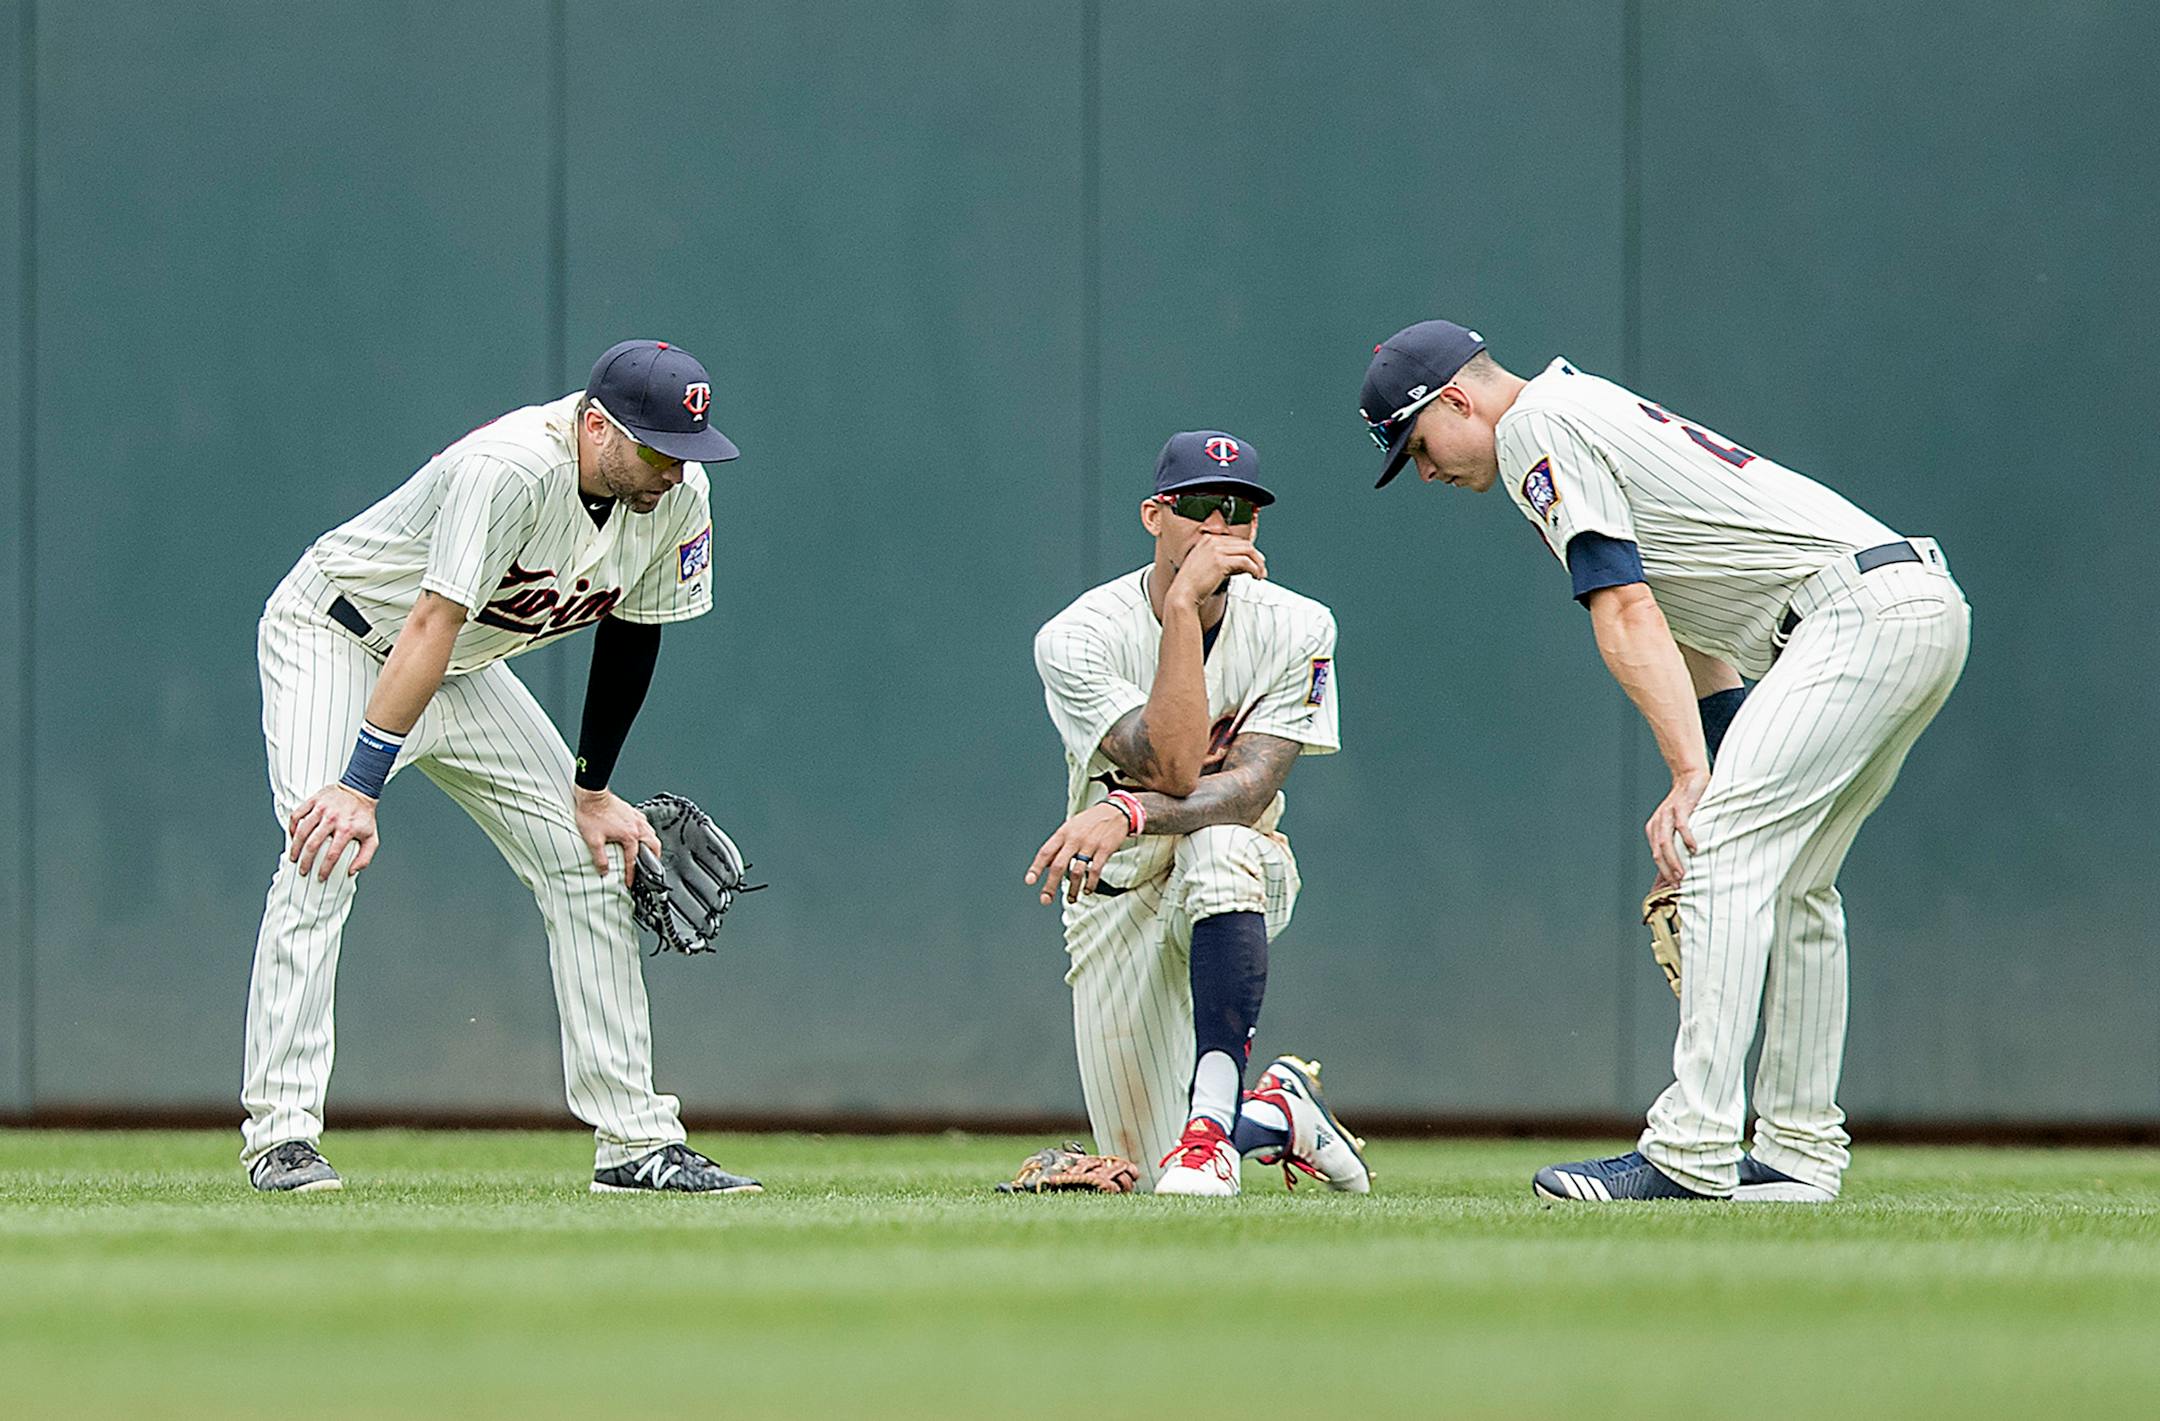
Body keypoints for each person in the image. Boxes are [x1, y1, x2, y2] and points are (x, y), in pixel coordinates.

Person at [1359, 320, 1969, 1202]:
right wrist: (1711, 762)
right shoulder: (1576, 405)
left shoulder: (1537, 426)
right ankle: (1798, 1152)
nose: (1422, 469)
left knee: (1717, 852)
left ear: (1456, 398)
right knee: (1796, 881)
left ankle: (1691, 1149)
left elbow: (1628, 609)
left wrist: (1692, 781)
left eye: (1416, 444)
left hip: (1853, 617)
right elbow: (1688, 619)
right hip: (1904, 604)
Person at [241, 339, 760, 1196]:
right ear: (597, 427)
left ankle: (636, 1142)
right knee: (322, 848)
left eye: (690, 448)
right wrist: (358, 784)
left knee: (593, 859)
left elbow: (636, 630)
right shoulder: (510, 468)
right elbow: (430, 621)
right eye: (658, 447)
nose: (677, 467)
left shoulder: (678, 492)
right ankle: (282, 1135)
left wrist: (591, 792)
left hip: (462, 664)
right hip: (340, 633)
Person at [1027, 431, 1369, 1197]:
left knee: (1219, 842)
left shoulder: (1299, 625)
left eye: (1239, 512)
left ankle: (1214, 1126)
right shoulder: (1078, 636)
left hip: (1243, 869)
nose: (1220, 528)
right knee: (1149, 1174)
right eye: (1199, 509)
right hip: (1114, 898)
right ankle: (1280, 1115)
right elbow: (1175, 765)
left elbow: (1246, 791)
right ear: (1155, 515)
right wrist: (1182, 607)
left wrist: (1128, 810)